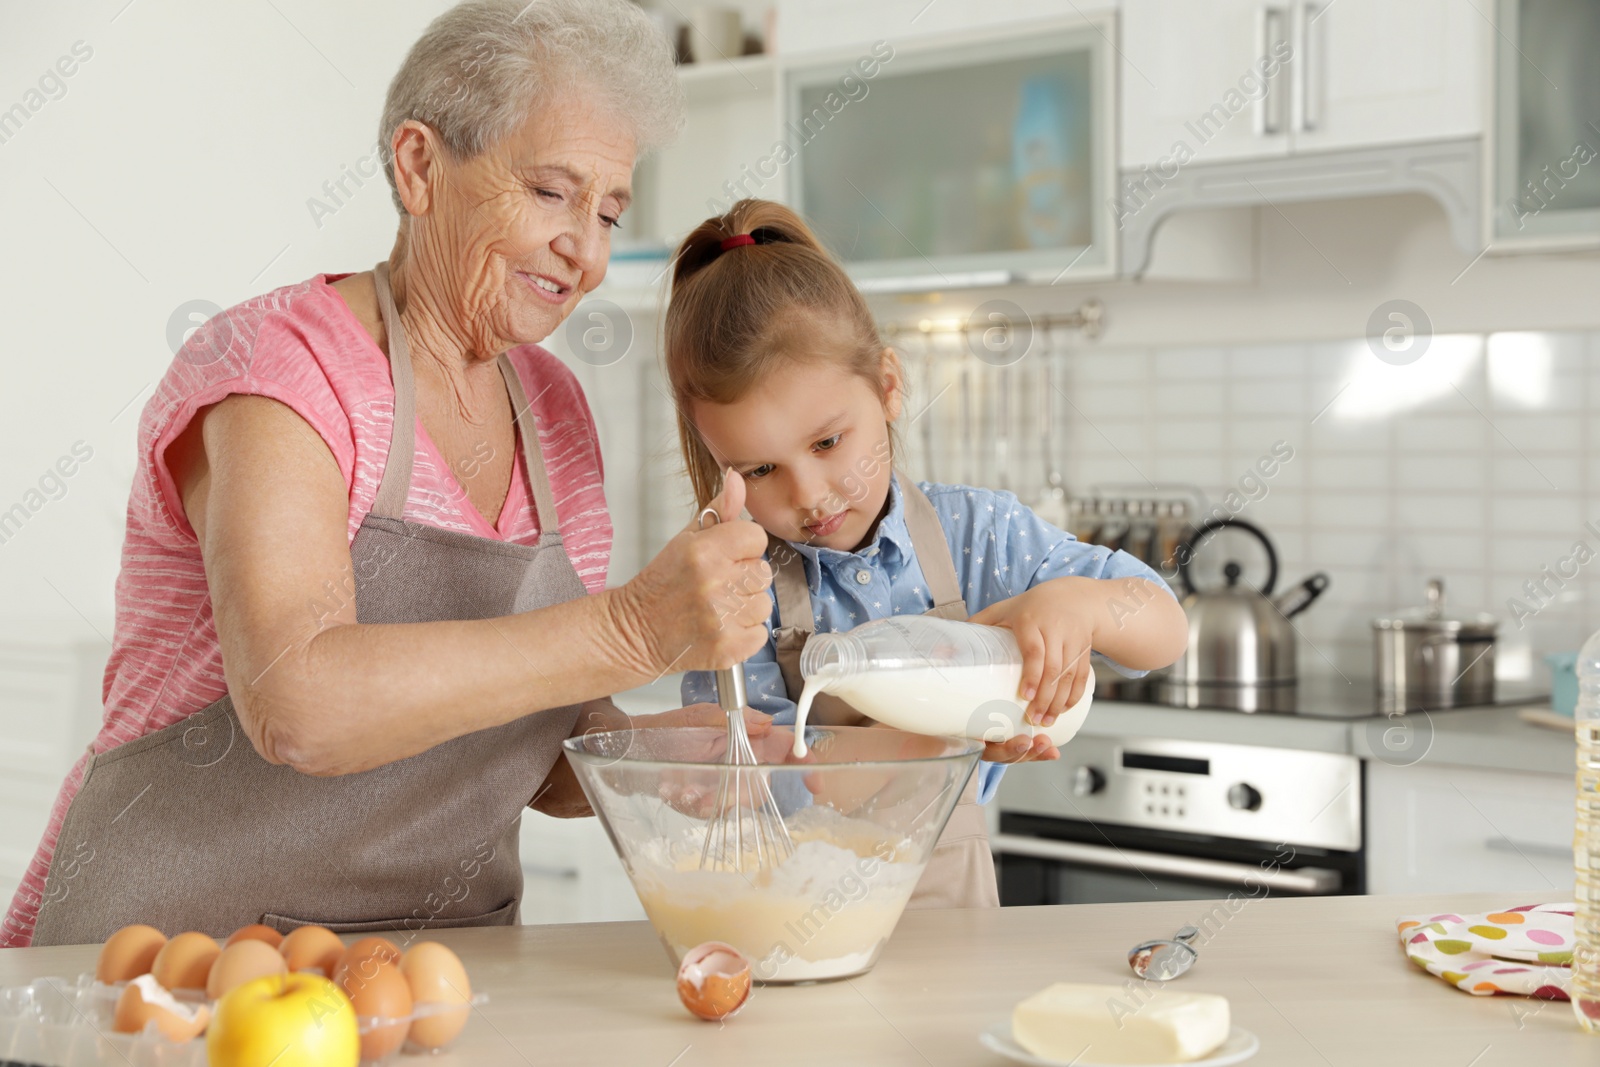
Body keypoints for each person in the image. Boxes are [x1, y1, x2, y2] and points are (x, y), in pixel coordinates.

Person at [4, 0, 777, 948]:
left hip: (437, 976)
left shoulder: (559, 413)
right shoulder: (282, 368)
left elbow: (526, 742)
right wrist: (635, 626)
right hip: (176, 972)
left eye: (608, 210)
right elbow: (302, 706)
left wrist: (661, 757)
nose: (588, 250)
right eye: (550, 192)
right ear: (419, 166)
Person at [665, 200, 1188, 909]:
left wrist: (1077, 603)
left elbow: (1164, 630)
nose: (811, 493)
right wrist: (951, 727)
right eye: (759, 471)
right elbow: (761, 783)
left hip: (950, 913)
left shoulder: (978, 534)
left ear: (887, 385)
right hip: (788, 911)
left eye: (827, 443)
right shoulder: (732, 590)